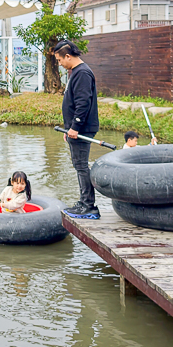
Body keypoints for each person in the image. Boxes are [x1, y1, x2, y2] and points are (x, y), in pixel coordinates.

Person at [54, 40, 100, 219]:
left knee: (81, 166)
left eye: (59, 60)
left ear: (68, 56)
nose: (59, 64)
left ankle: (88, 205)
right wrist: (68, 129)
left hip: (81, 129)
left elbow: (83, 103)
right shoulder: (76, 72)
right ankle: (84, 201)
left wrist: (75, 127)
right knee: (78, 165)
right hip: (74, 129)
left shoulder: (82, 73)